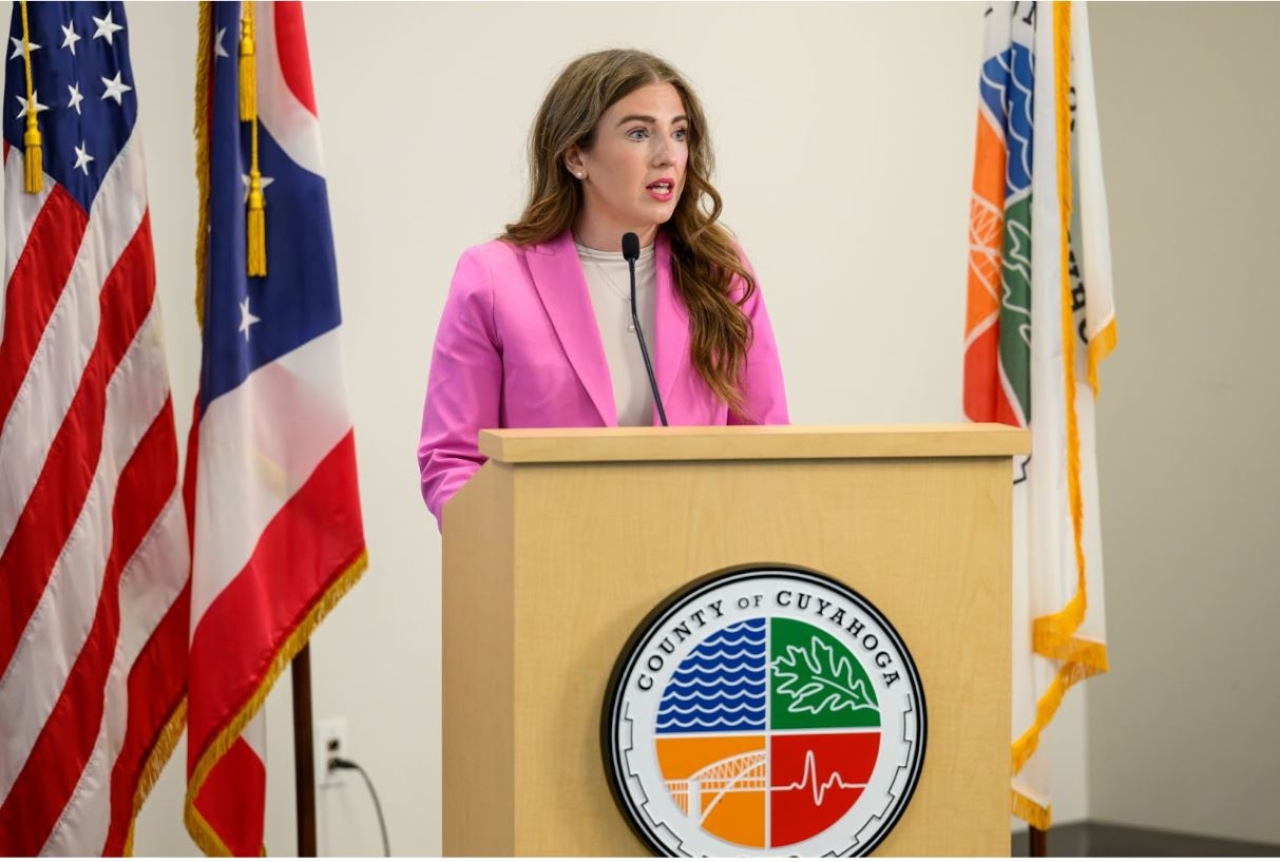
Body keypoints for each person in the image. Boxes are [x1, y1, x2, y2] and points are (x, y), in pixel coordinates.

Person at [417, 49, 788, 528]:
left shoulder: (721, 270)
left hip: (695, 565)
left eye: (679, 133)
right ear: (576, 156)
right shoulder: (493, 278)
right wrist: (508, 543)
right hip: (547, 566)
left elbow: (765, 440)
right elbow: (452, 461)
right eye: (639, 133)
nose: (667, 155)